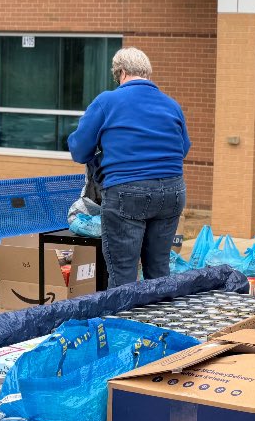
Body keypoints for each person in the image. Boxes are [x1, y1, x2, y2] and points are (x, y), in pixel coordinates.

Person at [67, 47, 189, 287]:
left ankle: (123, 322)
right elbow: (182, 148)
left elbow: (79, 150)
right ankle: (157, 321)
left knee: (123, 273)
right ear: (147, 73)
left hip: (127, 192)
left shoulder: (107, 101)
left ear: (121, 72)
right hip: (172, 192)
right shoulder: (171, 105)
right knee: (158, 270)